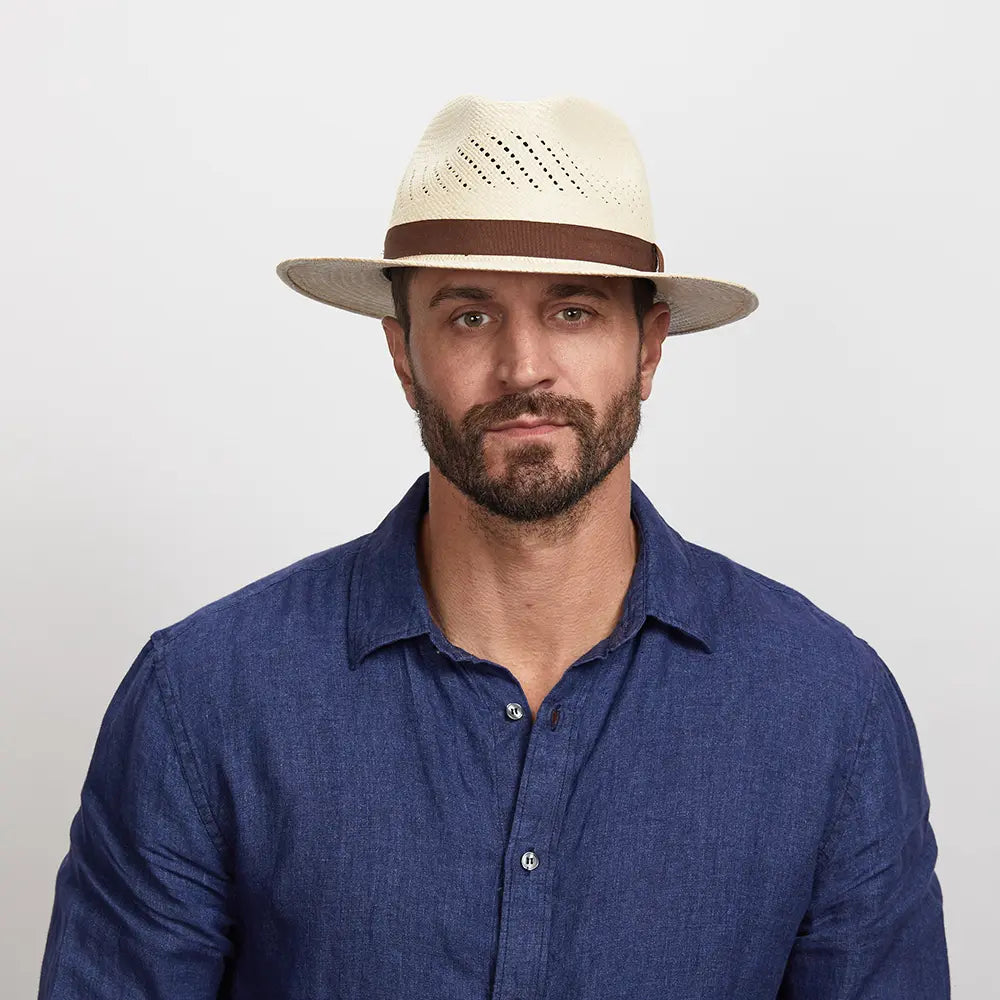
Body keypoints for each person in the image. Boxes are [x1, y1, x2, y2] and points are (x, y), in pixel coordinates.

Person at [38, 95, 949, 998]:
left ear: (649, 349)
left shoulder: (828, 710)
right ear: (403, 354)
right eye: (470, 316)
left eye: (575, 312)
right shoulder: (205, 699)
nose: (523, 369)